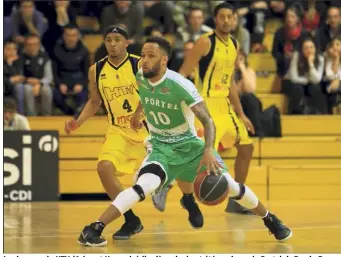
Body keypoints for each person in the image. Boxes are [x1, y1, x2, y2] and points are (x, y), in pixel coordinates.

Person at [77, 36, 292, 247]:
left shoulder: (181, 85)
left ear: (164, 60)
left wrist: (208, 149)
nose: (143, 60)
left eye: (150, 56)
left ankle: (270, 219)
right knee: (143, 186)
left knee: (231, 186)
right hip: (161, 148)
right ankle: (95, 228)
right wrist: (137, 112)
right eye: (142, 55)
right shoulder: (141, 75)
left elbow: (208, 121)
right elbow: (145, 94)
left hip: (192, 148)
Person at [152, 2, 256, 215]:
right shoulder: (204, 43)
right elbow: (182, 73)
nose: (226, 21)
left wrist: (242, 113)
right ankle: (165, 186)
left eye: (230, 17)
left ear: (235, 20)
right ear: (215, 20)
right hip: (204, 103)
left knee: (246, 148)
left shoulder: (235, 44)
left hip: (225, 105)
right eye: (222, 17)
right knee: (200, 154)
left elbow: (230, 84)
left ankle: (236, 201)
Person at [65, 25, 148, 240]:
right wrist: (78, 122)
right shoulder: (96, 69)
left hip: (146, 130)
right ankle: (131, 219)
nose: (113, 43)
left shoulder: (139, 64)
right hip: (117, 130)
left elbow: (154, 94)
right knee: (104, 168)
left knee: (152, 185)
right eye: (109, 39)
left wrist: (140, 113)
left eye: (117, 39)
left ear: (127, 42)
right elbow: (95, 101)